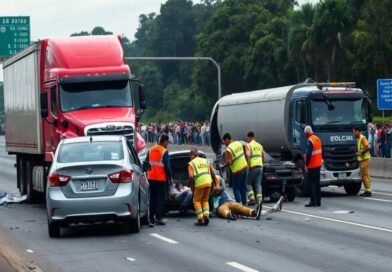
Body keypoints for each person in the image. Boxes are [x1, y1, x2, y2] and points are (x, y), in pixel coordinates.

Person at [146, 134, 172, 226]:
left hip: (151, 178)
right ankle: (158, 218)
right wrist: (170, 178)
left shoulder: (151, 149)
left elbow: (146, 164)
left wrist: (147, 175)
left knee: (152, 198)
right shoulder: (164, 151)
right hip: (161, 179)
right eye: (167, 142)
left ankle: (151, 218)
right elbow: (167, 167)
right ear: (164, 141)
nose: (167, 144)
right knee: (161, 198)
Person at [188, 148, 216, 226]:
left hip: (199, 184)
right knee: (205, 200)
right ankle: (206, 215)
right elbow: (213, 173)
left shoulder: (191, 163)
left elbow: (190, 176)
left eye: (190, 156)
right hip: (208, 182)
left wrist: (190, 185)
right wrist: (214, 183)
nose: (189, 157)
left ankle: (200, 219)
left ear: (192, 155)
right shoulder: (206, 161)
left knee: (196, 201)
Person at [220, 133, 249, 205]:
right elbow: (245, 150)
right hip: (245, 167)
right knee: (243, 187)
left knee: (236, 188)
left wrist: (223, 166)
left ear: (227, 139)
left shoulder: (229, 149)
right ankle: (244, 204)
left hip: (237, 170)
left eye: (224, 141)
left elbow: (229, 162)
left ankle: (239, 205)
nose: (224, 144)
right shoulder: (238, 143)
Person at [304, 126, 322, 207]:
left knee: (311, 184)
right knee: (317, 183)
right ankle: (318, 201)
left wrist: (306, 165)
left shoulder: (310, 140)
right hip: (318, 164)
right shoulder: (317, 139)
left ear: (307, 133)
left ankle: (312, 201)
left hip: (312, 165)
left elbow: (308, 154)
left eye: (305, 134)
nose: (305, 136)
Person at [245, 131, 264, 206]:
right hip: (260, 167)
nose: (247, 140)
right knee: (258, 184)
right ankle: (259, 200)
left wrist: (248, 165)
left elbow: (248, 155)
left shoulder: (248, 145)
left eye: (247, 138)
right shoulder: (260, 145)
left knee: (247, 183)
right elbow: (262, 157)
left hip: (253, 167)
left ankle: (252, 198)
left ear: (249, 137)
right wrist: (261, 165)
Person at [353, 127, 372, 197]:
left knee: (363, 175)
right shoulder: (358, 139)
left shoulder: (362, 138)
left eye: (354, 132)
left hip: (365, 159)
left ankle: (368, 190)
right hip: (362, 159)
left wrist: (361, 153)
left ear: (357, 131)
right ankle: (368, 189)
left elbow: (367, 147)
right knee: (365, 174)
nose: (354, 134)